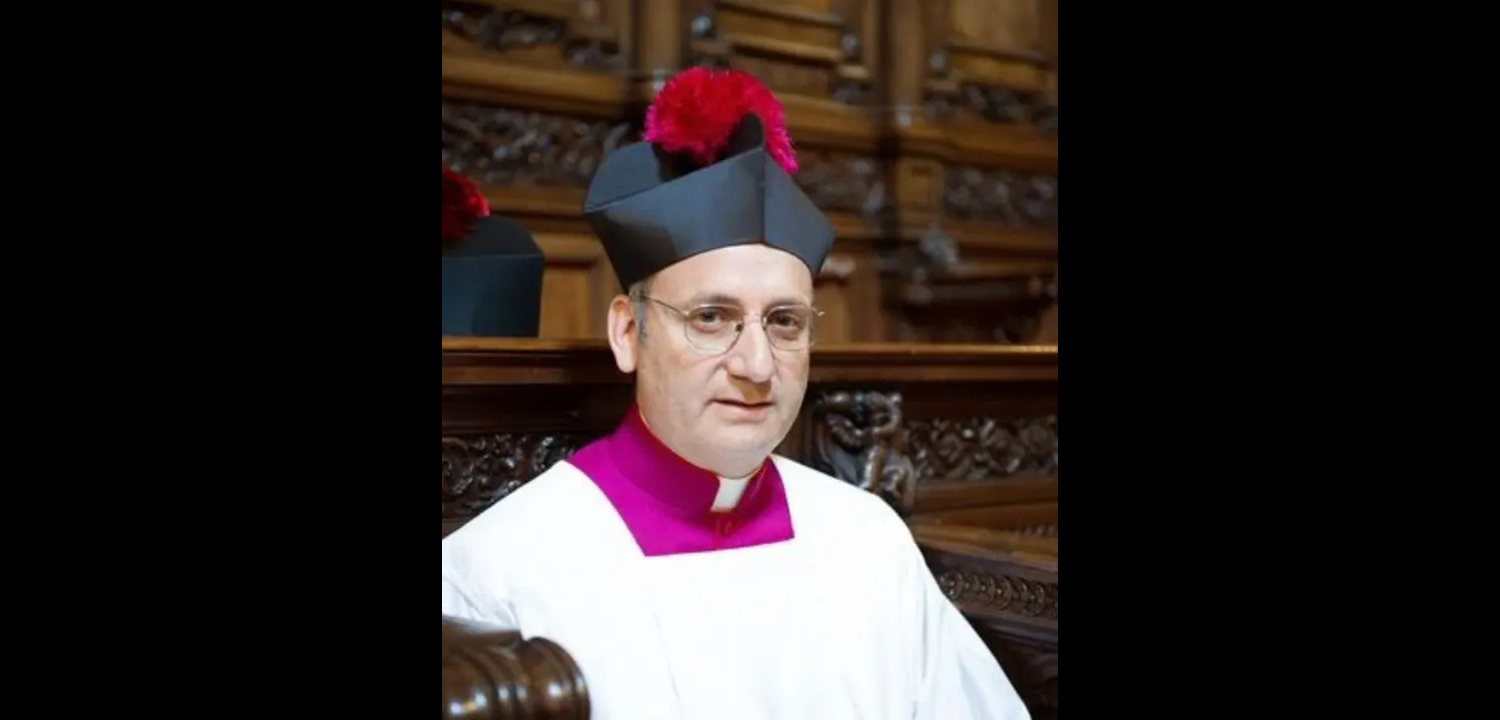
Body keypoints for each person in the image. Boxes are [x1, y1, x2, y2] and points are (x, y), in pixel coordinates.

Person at [440, 67, 1030, 719]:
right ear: (629, 333)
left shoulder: (868, 541)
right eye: (711, 318)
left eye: (785, 322)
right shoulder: (498, 571)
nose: (756, 364)